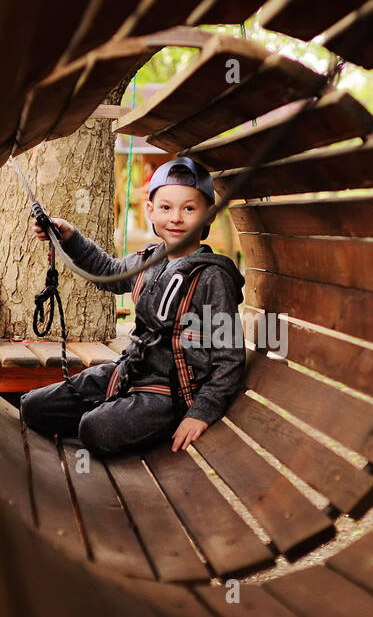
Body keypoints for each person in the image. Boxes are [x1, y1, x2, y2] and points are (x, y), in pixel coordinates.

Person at [19, 156, 246, 456]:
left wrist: (201, 412)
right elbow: (108, 272)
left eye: (189, 208)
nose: (176, 218)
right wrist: (69, 238)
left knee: (95, 429)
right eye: (166, 207)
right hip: (128, 373)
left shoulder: (212, 278)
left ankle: (116, 418)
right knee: (33, 407)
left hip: (171, 393)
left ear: (209, 215)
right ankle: (112, 409)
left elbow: (230, 358)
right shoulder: (149, 259)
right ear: (151, 210)